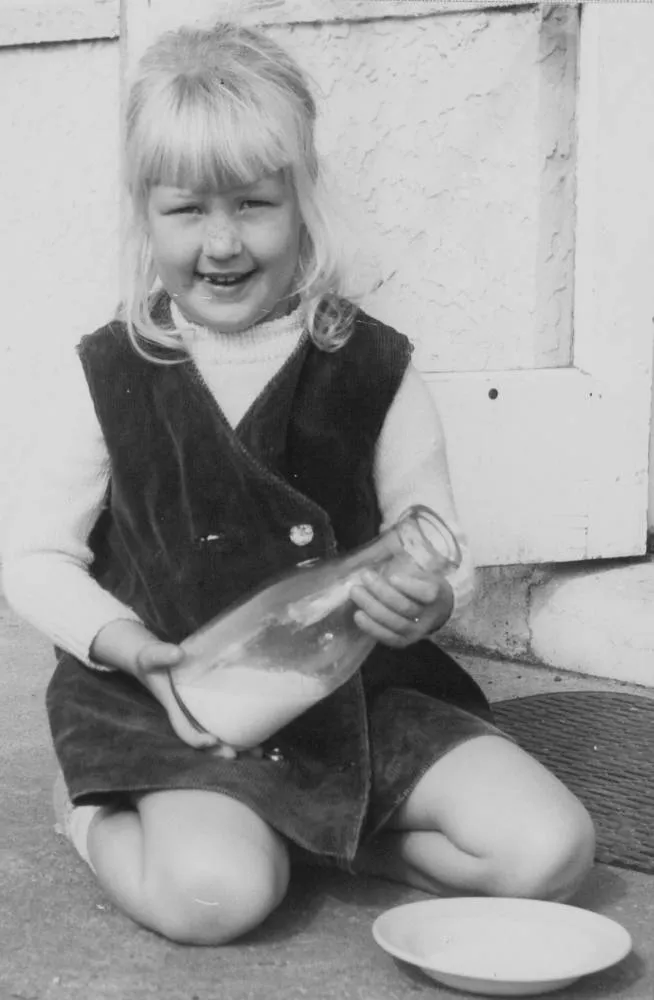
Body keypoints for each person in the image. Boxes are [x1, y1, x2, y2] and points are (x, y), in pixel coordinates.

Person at [1, 22, 595, 946]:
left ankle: (325, 839)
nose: (223, 241)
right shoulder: (114, 371)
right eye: (187, 210)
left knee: (548, 852)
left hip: (352, 704)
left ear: (303, 200)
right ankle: (89, 816)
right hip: (174, 708)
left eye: (253, 204)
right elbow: (34, 557)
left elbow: (437, 539)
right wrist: (130, 649)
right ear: (144, 215)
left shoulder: (371, 366)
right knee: (216, 898)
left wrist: (429, 600)